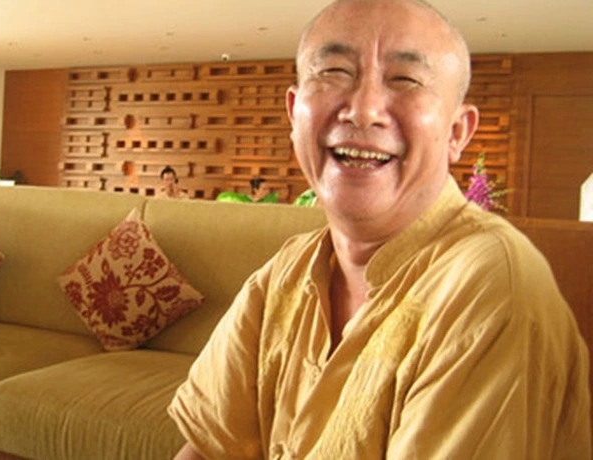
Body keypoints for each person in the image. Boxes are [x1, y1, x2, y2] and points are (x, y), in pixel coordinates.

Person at [168, 0, 591, 458]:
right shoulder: (287, 272)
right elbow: (208, 449)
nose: (363, 110)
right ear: (293, 113)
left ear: (457, 133)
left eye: (405, 79)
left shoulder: (491, 285)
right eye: (334, 72)